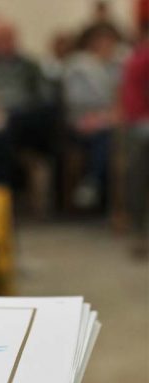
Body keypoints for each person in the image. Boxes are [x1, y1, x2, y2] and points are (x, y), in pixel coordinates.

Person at [63, 23, 123, 208]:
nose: (107, 46)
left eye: (110, 42)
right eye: (102, 41)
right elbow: (75, 99)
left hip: (115, 119)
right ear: (92, 42)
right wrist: (102, 114)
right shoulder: (78, 65)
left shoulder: (119, 64)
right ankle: (93, 182)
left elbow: (124, 95)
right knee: (104, 137)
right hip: (82, 119)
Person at [120, 7, 149, 257]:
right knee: (137, 169)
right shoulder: (139, 58)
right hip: (140, 123)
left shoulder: (138, 57)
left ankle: (140, 231)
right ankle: (140, 231)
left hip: (139, 124)